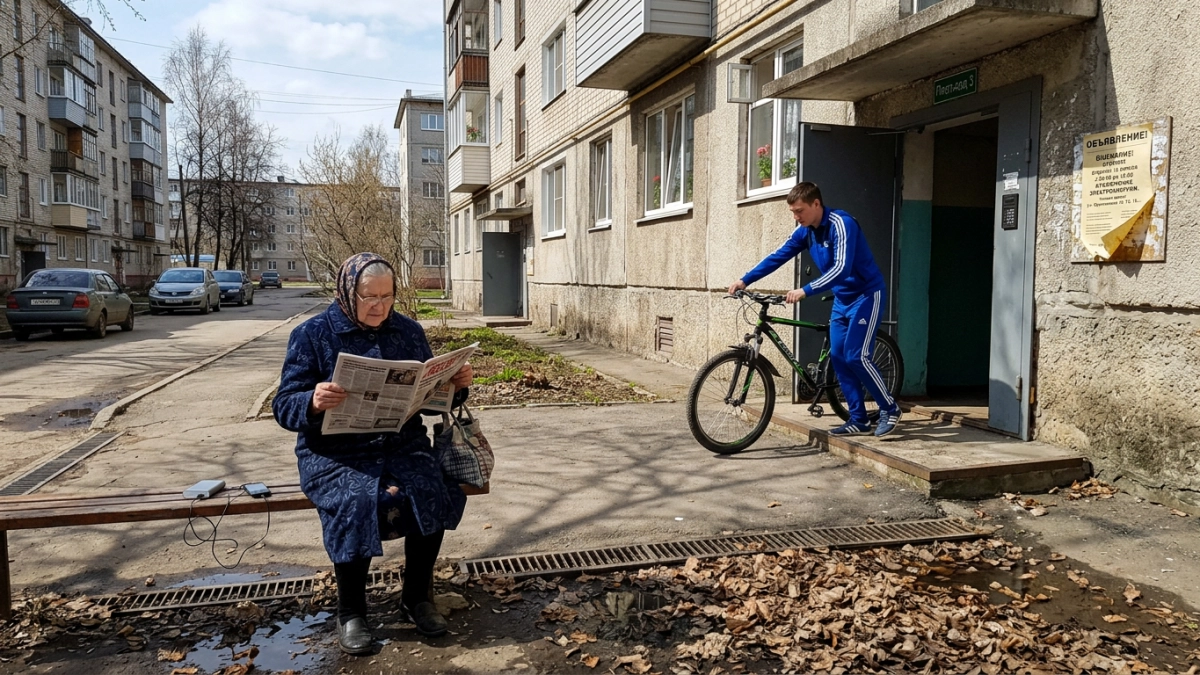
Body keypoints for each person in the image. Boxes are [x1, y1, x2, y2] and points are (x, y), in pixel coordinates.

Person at [273, 252, 474, 655]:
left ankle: (417, 596)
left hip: (401, 443)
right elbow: (284, 407)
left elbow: (436, 400)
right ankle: (352, 612)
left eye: (387, 296)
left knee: (431, 487)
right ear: (348, 292)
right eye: (369, 297)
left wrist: (457, 385)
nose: (379, 306)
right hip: (336, 453)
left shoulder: (409, 331)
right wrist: (312, 401)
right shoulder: (312, 335)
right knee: (355, 500)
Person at [728, 182, 901, 437]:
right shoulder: (805, 231)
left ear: (816, 204)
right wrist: (745, 280)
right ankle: (858, 419)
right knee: (839, 359)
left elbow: (841, 269)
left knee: (856, 355)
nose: (796, 217)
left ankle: (890, 408)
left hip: (866, 295)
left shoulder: (842, 224)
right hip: (842, 299)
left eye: (800, 211)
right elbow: (778, 256)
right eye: (793, 213)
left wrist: (805, 290)